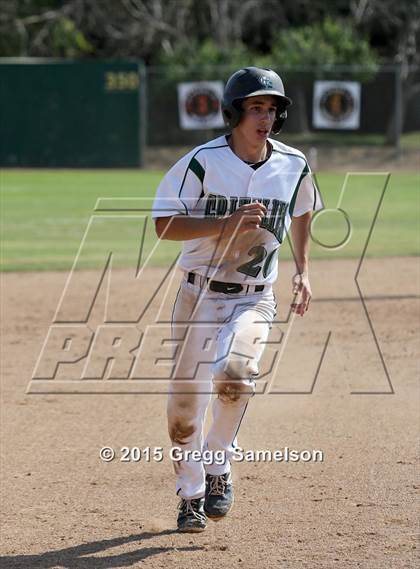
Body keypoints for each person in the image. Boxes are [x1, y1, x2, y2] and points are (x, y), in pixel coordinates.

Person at [152, 67, 322, 533]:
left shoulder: (293, 164)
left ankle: (218, 466)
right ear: (234, 113)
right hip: (198, 295)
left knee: (237, 375)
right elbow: (164, 225)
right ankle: (189, 497)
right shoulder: (202, 162)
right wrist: (224, 226)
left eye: (271, 109)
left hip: (255, 297)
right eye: (255, 108)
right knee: (183, 413)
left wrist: (304, 271)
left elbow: (304, 209)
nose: (264, 118)